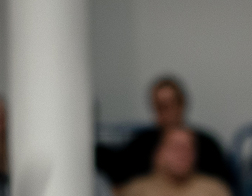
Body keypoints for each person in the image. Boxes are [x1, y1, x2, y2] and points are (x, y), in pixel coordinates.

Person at [97, 75, 233, 186]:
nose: (165, 113)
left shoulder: (207, 145)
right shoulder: (143, 144)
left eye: (169, 105)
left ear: (182, 105)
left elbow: (221, 186)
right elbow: (117, 167)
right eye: (159, 107)